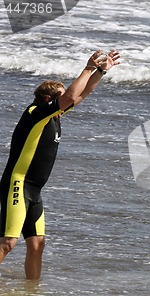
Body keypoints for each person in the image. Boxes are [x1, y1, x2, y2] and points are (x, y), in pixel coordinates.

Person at [0, 50, 121, 279]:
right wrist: (87, 68)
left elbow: (83, 92)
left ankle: (31, 294)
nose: (67, 101)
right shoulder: (35, 113)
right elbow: (68, 98)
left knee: (37, 244)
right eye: (61, 97)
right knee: (8, 242)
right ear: (48, 99)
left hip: (35, 191)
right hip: (19, 184)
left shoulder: (54, 116)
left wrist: (102, 71)